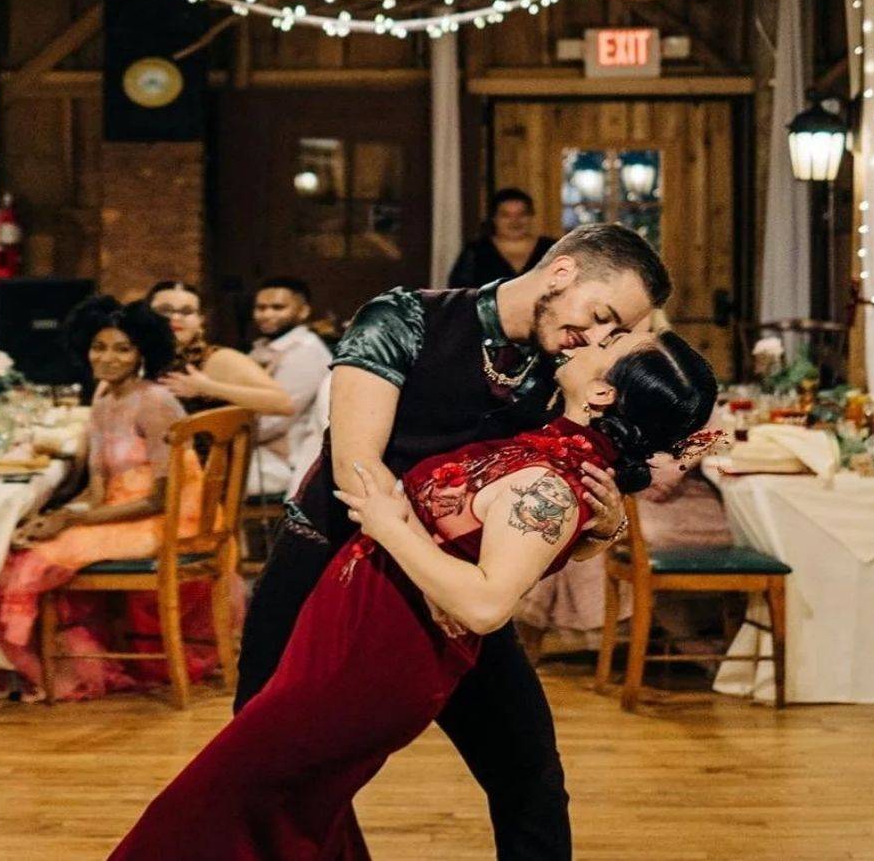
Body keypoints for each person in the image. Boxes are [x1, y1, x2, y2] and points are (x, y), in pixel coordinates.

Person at [110, 331, 717, 860]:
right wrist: (599, 531)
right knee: (285, 814)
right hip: (343, 643)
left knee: (212, 807)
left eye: (609, 344)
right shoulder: (552, 451)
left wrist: (389, 525)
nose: (592, 339)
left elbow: (487, 605)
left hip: (371, 666)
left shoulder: (550, 485)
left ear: (603, 393)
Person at [238, 222, 672, 861]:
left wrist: (603, 528)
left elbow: (538, 527)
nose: (597, 338)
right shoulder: (406, 318)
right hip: (328, 563)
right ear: (562, 273)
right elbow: (358, 470)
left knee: (529, 774)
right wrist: (441, 578)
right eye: (602, 316)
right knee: (266, 767)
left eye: (615, 333)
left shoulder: (567, 371)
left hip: (452, 594)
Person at [0, 296, 223, 700]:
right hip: (122, 512)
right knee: (17, 545)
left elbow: (161, 500)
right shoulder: (103, 401)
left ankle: (62, 674)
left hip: (170, 520)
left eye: (122, 349)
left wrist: (71, 521)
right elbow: (98, 489)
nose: (108, 358)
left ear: (142, 353)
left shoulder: (155, 402)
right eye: (99, 347)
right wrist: (58, 516)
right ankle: (67, 665)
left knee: (33, 562)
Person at [146, 280, 294, 417]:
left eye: (187, 311)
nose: (176, 317)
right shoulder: (139, 357)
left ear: (200, 320)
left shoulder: (217, 358)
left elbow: (283, 403)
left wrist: (208, 388)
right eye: (164, 310)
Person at [248, 276, 333, 494]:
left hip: (285, 463)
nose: (267, 314)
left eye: (278, 307)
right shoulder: (265, 347)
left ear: (303, 311)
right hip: (259, 452)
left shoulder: (306, 351)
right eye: (261, 308)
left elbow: (274, 420)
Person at [448, 187, 558, 291]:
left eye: (522, 214)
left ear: (531, 216)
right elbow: (460, 294)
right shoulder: (475, 252)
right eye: (506, 215)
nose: (515, 221)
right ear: (494, 218)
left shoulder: (553, 249)